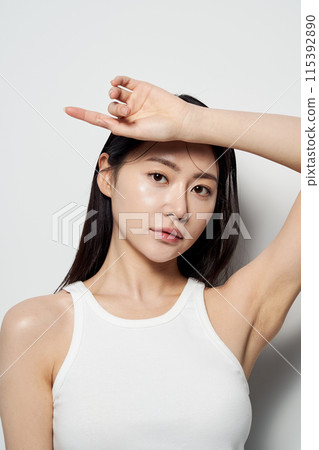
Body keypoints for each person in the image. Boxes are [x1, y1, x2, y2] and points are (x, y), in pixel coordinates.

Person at [0, 75, 300, 449]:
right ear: (107, 176)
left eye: (201, 188)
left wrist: (192, 122)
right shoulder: (36, 328)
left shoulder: (234, 314)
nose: (179, 208)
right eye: (158, 176)